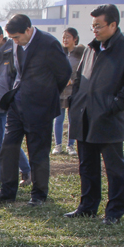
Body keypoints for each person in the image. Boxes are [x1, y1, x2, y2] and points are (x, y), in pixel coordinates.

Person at [66, 4, 124, 225]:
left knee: (114, 168)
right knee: (87, 165)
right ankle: (88, 205)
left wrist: (113, 105)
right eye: (93, 26)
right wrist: (75, 101)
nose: (95, 31)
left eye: (99, 26)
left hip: (108, 118)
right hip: (84, 115)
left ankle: (115, 211)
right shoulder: (91, 48)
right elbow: (80, 78)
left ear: (113, 24)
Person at [0, 14, 71, 206]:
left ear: (28, 30)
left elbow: (63, 73)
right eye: (12, 38)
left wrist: (46, 93)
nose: (14, 41)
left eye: (17, 37)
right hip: (18, 104)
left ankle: (38, 194)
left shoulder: (48, 44)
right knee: (8, 147)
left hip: (40, 107)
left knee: (38, 152)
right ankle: (7, 191)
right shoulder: (17, 44)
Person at [0, 23, 31, 187]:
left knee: (6, 142)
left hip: (9, 106)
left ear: (1, 37)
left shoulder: (14, 53)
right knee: (0, 143)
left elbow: (18, 80)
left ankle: (19, 172)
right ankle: (3, 176)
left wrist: (12, 99)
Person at [53, 27, 84, 156]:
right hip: (60, 91)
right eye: (63, 37)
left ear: (75, 39)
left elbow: (83, 72)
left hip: (74, 91)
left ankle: (71, 145)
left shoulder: (81, 54)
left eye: (68, 37)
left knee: (73, 119)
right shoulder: (59, 53)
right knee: (58, 119)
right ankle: (58, 145)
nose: (65, 39)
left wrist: (72, 81)